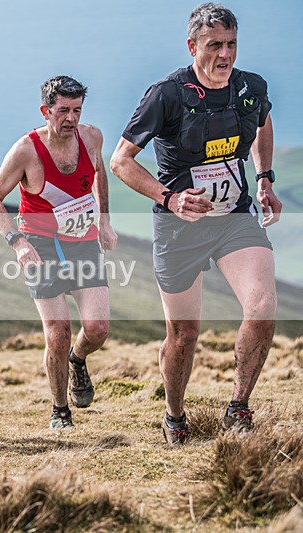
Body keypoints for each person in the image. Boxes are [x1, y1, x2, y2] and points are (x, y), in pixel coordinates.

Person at [109, 3, 281, 445]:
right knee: (184, 334)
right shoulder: (166, 94)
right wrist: (169, 197)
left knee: (261, 309)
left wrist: (263, 179)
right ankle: (174, 414)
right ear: (192, 46)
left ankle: (239, 407)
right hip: (179, 227)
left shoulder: (250, 86)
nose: (225, 55)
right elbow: (120, 161)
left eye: (231, 44)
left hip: (234, 217)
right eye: (214, 46)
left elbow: (263, 123)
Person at [0, 76, 117, 430]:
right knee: (58, 332)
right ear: (46, 111)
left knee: (98, 328)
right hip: (41, 246)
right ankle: (60, 410)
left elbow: (100, 173)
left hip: (84, 243)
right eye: (62, 111)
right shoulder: (26, 150)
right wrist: (17, 242)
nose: (70, 119)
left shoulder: (92, 137)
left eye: (76, 110)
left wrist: (104, 221)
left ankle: (77, 360)